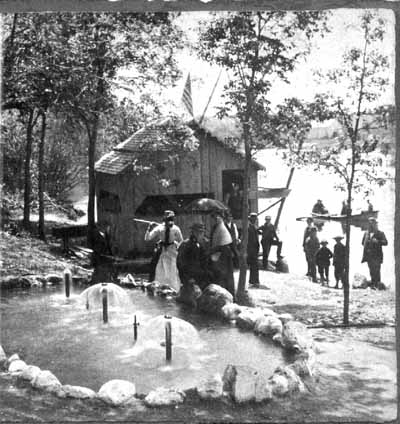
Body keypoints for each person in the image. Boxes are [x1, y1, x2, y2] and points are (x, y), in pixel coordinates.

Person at [144, 210, 183, 292]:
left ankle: (174, 288)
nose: (170, 221)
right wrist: (149, 228)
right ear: (164, 219)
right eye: (168, 219)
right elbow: (147, 238)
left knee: (173, 269)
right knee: (160, 269)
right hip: (162, 251)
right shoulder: (159, 228)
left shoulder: (176, 229)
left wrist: (176, 244)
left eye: (172, 219)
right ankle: (160, 287)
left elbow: (181, 241)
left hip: (172, 251)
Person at [209, 210, 235, 298]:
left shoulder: (221, 226)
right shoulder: (217, 227)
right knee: (221, 275)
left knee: (223, 275)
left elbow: (225, 242)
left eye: (216, 217)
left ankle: (227, 295)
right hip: (220, 251)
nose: (215, 219)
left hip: (222, 253)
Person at [177, 222, 210, 290]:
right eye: (198, 232)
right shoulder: (185, 245)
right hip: (189, 278)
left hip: (200, 276)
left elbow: (204, 260)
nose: (200, 235)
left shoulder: (202, 244)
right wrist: (188, 278)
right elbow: (181, 263)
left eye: (202, 232)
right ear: (193, 232)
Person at [362, 217, 388, 289]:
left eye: (372, 224)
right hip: (369, 256)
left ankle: (378, 285)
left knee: (377, 270)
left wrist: (378, 242)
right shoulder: (366, 233)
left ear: (375, 224)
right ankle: (373, 284)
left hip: (377, 256)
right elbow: (362, 243)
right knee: (371, 270)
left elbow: (385, 242)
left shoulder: (380, 233)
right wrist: (367, 244)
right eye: (369, 224)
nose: (371, 226)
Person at [247, 212, 260, 287]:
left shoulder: (254, 227)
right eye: (253, 219)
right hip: (251, 250)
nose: (255, 220)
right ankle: (253, 281)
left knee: (255, 266)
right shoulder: (249, 228)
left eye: (255, 219)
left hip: (254, 249)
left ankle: (254, 281)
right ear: (250, 219)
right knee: (254, 266)